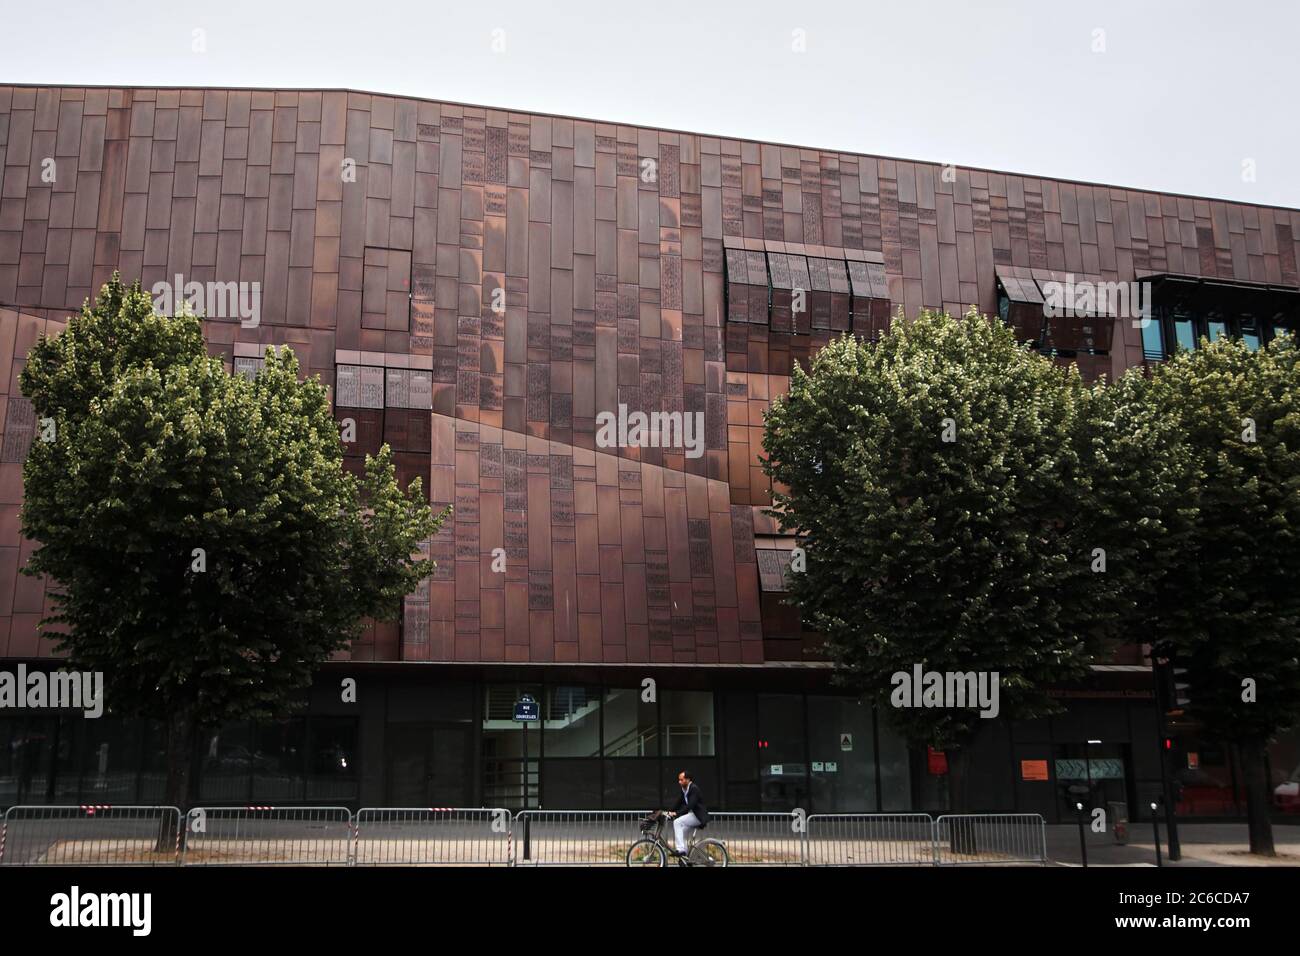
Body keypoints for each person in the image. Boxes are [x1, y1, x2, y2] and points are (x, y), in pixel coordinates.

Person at [666, 769, 709, 857]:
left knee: (677, 822)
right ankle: (684, 857)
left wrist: (676, 814)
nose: (679, 782)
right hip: (693, 815)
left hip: (699, 816)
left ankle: (681, 850)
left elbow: (690, 805)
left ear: (688, 780)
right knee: (681, 833)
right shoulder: (684, 789)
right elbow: (678, 802)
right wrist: (668, 811)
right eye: (679, 780)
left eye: (681, 780)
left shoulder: (694, 789)